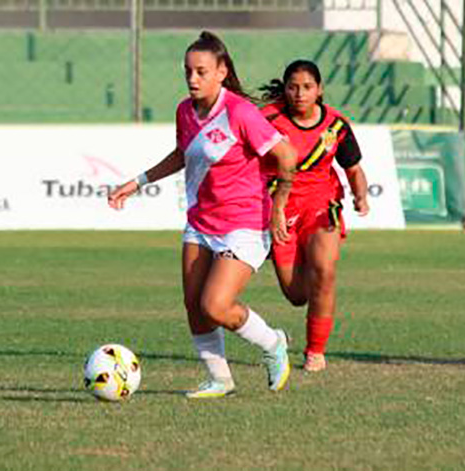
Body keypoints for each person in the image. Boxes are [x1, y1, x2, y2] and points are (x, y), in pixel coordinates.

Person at [108, 31, 298, 398]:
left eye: (201, 71)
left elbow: (286, 156)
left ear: (221, 71)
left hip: (244, 223)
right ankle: (220, 379)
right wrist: (138, 182)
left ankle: (273, 343)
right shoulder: (184, 110)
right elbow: (184, 153)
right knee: (194, 305)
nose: (193, 79)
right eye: (188, 72)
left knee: (215, 304)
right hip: (200, 222)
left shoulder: (240, 112)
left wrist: (279, 206)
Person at [259, 59, 370, 372]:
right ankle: (308, 270)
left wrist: (360, 194)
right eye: (293, 87)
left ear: (319, 90)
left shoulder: (336, 125)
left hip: (322, 203)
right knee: (296, 295)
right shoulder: (266, 119)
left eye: (307, 87)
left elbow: (354, 169)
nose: (299, 93)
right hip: (280, 208)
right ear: (284, 89)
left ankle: (315, 352)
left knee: (325, 271)